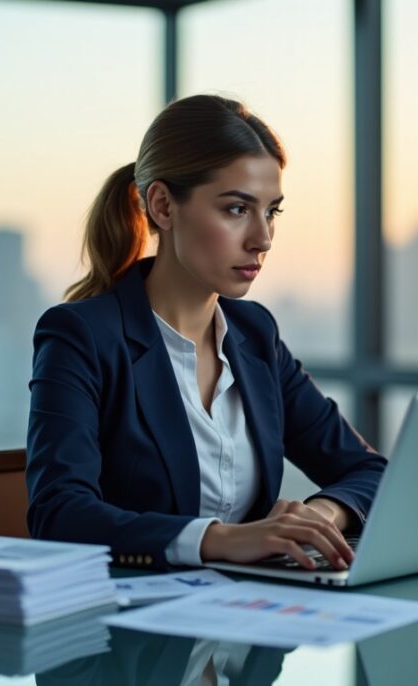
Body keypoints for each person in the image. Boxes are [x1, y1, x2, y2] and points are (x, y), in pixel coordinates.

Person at [26, 94, 386, 572]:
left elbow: (370, 471)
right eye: (237, 209)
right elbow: (58, 515)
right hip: (134, 612)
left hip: (249, 608)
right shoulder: (81, 336)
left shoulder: (255, 335)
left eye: (272, 212)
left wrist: (319, 515)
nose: (262, 239)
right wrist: (219, 540)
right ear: (163, 206)